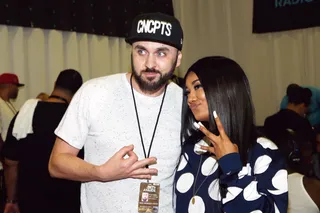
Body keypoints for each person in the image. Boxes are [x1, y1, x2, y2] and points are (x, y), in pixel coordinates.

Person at [48, 12, 183, 213]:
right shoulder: (94, 93)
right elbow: (56, 163)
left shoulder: (187, 103)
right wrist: (100, 172)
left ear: (178, 58)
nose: (150, 63)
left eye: (161, 53)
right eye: (141, 51)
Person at [174, 56, 288, 212]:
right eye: (187, 92)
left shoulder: (262, 151)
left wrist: (232, 168)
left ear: (224, 89)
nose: (190, 99)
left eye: (197, 87)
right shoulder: (190, 148)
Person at [3, 69, 83, 213]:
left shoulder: (26, 115)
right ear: (77, 92)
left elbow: (10, 162)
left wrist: (11, 199)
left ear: (54, 85)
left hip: (31, 199)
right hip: (69, 200)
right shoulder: (77, 118)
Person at [0, 73, 24, 212]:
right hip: (3, 166)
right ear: (10, 86)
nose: (17, 90)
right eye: (17, 87)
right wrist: (5, 158)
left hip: (8, 166)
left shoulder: (6, 104)